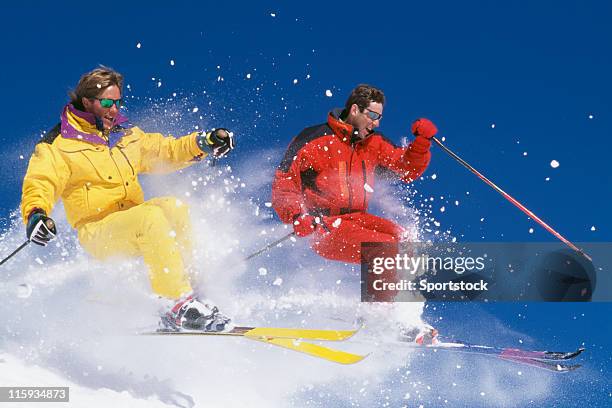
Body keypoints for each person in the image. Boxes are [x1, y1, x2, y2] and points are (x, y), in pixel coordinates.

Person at [20, 66, 236, 332]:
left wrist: (203, 142)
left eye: (118, 102)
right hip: (98, 231)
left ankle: (191, 292)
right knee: (151, 216)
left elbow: (164, 150)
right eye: (107, 102)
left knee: (173, 207)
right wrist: (36, 214)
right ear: (87, 102)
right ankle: (175, 304)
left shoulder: (125, 134)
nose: (114, 109)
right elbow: (41, 181)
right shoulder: (59, 144)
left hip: (131, 221)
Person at [271, 84, 439, 343]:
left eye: (379, 117)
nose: (375, 123)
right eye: (371, 116)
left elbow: (406, 169)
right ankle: (377, 320)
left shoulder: (373, 143)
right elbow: (285, 181)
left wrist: (421, 145)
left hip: (355, 219)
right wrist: (296, 215)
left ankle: (399, 317)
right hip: (324, 225)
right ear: (354, 110)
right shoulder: (314, 139)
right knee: (383, 248)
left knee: (406, 243)